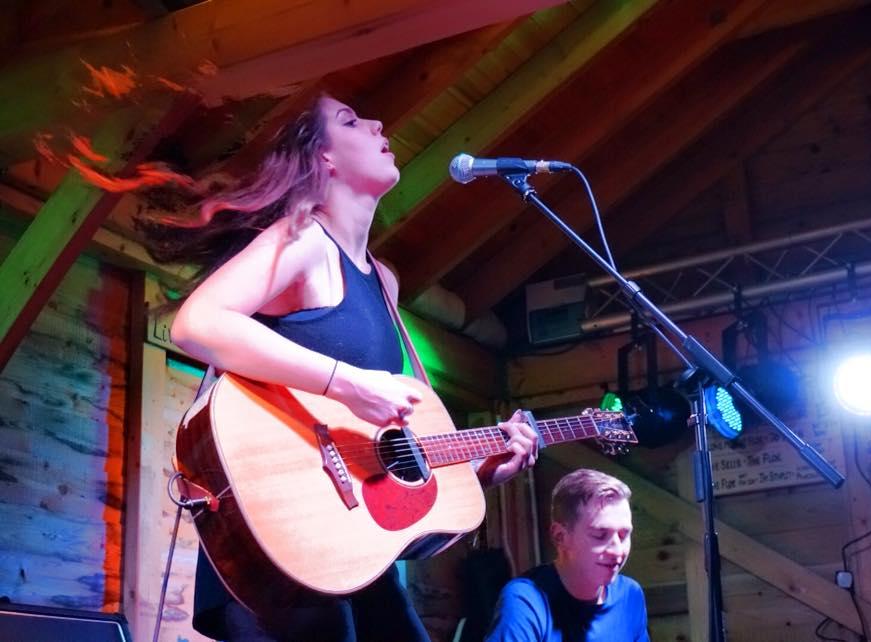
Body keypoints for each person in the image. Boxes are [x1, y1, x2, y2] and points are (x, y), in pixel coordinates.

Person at [142, 95, 540, 641]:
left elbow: (385, 456)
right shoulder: (303, 240)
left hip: (353, 552)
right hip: (284, 541)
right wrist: (347, 384)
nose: (378, 123)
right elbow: (198, 324)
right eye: (351, 121)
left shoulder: (384, 281)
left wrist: (478, 469)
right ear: (322, 158)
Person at [484, 468, 650, 642]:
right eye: (600, 535)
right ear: (560, 537)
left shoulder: (630, 595)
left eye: (624, 535)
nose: (617, 550)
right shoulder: (525, 600)